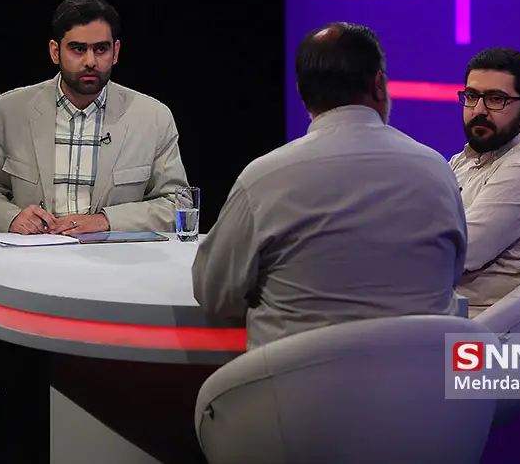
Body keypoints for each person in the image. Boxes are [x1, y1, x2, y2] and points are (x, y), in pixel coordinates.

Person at [192, 22, 467, 349]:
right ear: (379, 84)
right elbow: (450, 277)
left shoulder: (263, 179)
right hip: (419, 376)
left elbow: (215, 295)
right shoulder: (437, 171)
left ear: (302, 92)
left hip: (290, 379)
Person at [0, 0, 188, 235]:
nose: (91, 61)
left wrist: (104, 221)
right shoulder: (8, 111)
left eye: (101, 49)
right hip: (28, 251)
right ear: (55, 52)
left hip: (112, 254)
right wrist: (13, 218)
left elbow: (176, 204)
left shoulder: (153, 118)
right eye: (78, 49)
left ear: (116, 52)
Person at [450, 47, 520, 317]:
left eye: (496, 99)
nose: (478, 110)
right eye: (472, 96)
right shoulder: (466, 159)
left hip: (467, 329)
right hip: (435, 310)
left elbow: (455, 253)